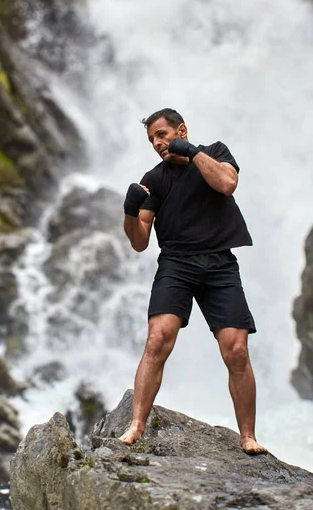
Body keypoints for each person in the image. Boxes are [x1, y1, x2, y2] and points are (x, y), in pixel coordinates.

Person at [120, 108, 267, 455]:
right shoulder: (154, 179)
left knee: (236, 349)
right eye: (152, 139)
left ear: (180, 130)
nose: (157, 143)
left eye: (161, 134)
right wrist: (129, 212)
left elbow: (227, 183)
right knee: (157, 339)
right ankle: (135, 427)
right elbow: (139, 240)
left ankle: (248, 437)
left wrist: (192, 151)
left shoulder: (215, 152)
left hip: (219, 264)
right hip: (176, 264)